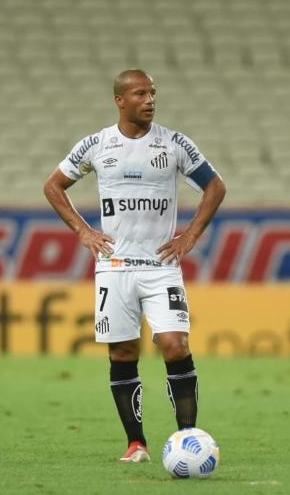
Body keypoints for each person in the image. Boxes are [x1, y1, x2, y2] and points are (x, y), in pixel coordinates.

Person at [43, 69, 226, 463]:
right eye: (140, 93)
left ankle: (187, 440)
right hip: (114, 267)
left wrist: (191, 233)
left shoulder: (174, 143)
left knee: (175, 345)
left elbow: (216, 186)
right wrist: (83, 231)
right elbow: (53, 186)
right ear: (120, 100)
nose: (150, 100)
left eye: (153, 93)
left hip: (162, 266)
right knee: (123, 352)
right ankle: (136, 443)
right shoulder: (97, 145)